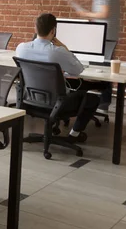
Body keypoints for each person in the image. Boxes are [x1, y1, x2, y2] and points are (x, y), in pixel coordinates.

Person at [16, 13, 100, 142]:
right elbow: (78, 70)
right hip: (57, 103)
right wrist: (64, 48)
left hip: (30, 100)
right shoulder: (57, 51)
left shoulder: (21, 48)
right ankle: (74, 135)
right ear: (53, 31)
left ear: (35, 29)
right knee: (93, 98)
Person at [74, 0, 120, 113]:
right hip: (109, 34)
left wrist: (85, 14)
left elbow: (104, 13)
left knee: (102, 70)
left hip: (104, 35)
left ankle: (102, 103)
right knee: (104, 68)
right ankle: (101, 102)